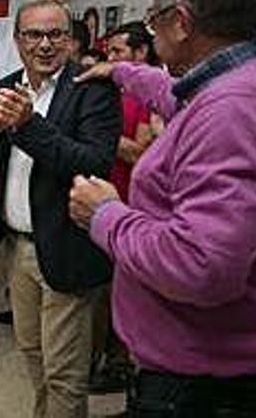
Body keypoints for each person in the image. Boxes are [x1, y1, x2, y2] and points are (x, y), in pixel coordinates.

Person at [70, 0, 256, 416]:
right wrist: (120, 72)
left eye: (154, 20)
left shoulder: (237, 111)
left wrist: (107, 217)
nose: (152, 33)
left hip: (210, 390)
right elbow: (181, 97)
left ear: (180, 21)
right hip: (225, 372)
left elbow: (203, 267)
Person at [0, 0, 122, 416]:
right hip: (17, 249)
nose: (44, 44)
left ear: (70, 41)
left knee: (65, 375)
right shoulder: (3, 86)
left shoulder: (93, 89)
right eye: (34, 34)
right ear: (17, 40)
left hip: (66, 247)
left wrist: (29, 125)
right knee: (32, 352)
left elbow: (94, 163)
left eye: (55, 34)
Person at [90, 20, 161, 394]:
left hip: (131, 212)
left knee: (120, 294)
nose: (110, 60)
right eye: (108, 52)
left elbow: (141, 153)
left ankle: (118, 365)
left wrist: (97, 132)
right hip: (98, 206)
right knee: (98, 292)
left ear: (140, 53)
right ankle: (98, 359)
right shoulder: (110, 91)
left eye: (117, 53)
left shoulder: (153, 98)